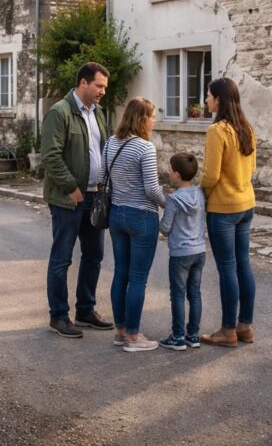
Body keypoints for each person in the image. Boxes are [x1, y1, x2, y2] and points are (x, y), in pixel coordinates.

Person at [40, 62, 114, 338]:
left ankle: (85, 310)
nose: (102, 92)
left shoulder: (99, 113)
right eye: (99, 86)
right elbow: (50, 155)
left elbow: (103, 150)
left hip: (95, 196)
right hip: (68, 198)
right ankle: (58, 316)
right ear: (83, 83)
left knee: (94, 255)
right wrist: (71, 186)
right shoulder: (60, 112)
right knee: (62, 258)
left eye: (104, 87)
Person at [102, 98, 166, 352]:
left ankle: (120, 331)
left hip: (116, 214)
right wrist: (167, 203)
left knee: (121, 273)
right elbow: (151, 189)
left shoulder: (110, 143)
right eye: (151, 116)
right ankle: (133, 336)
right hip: (141, 216)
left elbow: (102, 177)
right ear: (142, 119)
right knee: (138, 278)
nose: (154, 120)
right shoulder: (144, 148)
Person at [200, 77, 257, 348]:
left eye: (209, 96)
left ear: (219, 99)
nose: (206, 100)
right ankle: (245, 325)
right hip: (246, 203)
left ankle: (227, 330)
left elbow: (211, 174)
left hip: (223, 207)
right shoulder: (246, 127)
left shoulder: (217, 130)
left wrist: (201, 192)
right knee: (243, 265)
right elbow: (252, 168)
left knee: (227, 269)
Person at [157, 152, 207, 351]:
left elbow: (166, 227)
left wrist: (159, 225)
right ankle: (192, 334)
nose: (169, 172)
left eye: (170, 169)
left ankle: (177, 336)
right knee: (194, 293)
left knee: (178, 294)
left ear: (177, 174)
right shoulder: (201, 193)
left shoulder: (174, 199)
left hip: (180, 253)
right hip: (199, 251)